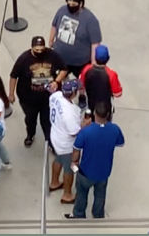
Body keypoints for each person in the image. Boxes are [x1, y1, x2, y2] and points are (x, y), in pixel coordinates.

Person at [69, 103, 126, 220]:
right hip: (104, 172)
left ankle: (79, 215)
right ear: (108, 114)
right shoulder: (115, 129)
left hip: (85, 172)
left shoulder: (85, 132)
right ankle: (98, 215)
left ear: (94, 114)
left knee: (81, 194)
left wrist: (74, 162)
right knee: (100, 195)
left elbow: (76, 150)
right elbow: (121, 143)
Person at [10, 35, 61, 148]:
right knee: (30, 120)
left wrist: (57, 81)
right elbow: (13, 76)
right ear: (31, 48)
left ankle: (49, 140)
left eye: (42, 49)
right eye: (37, 50)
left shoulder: (52, 55)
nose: (40, 52)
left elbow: (64, 68)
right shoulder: (24, 59)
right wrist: (11, 94)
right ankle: (30, 135)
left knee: (47, 121)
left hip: (47, 98)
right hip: (28, 99)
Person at [48, 76, 85, 206]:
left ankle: (54, 182)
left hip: (56, 137)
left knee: (58, 159)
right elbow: (74, 132)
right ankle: (67, 194)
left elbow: (50, 89)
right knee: (69, 168)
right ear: (73, 93)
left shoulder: (56, 96)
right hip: (66, 144)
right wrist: (85, 124)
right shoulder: (70, 112)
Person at [50, 0, 103, 71]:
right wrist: (51, 41)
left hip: (80, 63)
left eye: (73, 4)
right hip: (60, 58)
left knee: (82, 82)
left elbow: (95, 43)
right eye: (69, 3)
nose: (70, 6)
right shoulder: (62, 10)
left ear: (81, 4)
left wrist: (93, 62)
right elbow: (54, 25)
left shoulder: (90, 20)